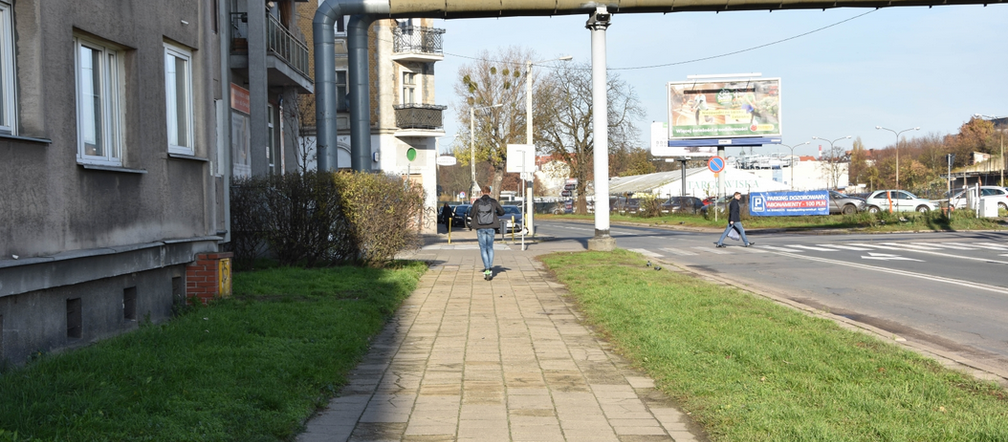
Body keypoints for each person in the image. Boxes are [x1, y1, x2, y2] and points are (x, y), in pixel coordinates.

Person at [471, 186, 505, 281]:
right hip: (491, 227)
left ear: (481, 192)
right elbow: (502, 212)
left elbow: (471, 213)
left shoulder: (477, 202)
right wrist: (494, 214)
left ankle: (487, 268)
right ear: (490, 192)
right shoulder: (493, 202)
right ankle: (489, 267)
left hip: (480, 227)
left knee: (483, 248)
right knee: (490, 247)